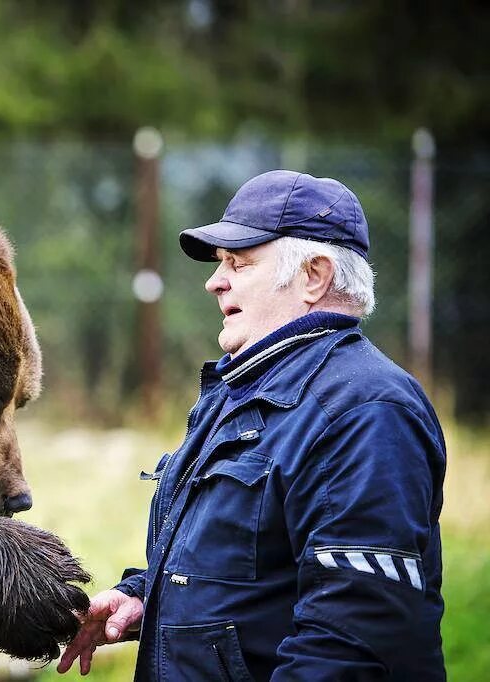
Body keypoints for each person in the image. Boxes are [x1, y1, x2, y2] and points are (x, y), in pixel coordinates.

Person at [57, 170, 446, 680]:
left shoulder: (364, 410)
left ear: (314, 276)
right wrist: (145, 595)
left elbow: (352, 642)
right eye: (221, 264)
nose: (214, 281)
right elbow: (255, 571)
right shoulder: (245, 391)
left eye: (239, 263)